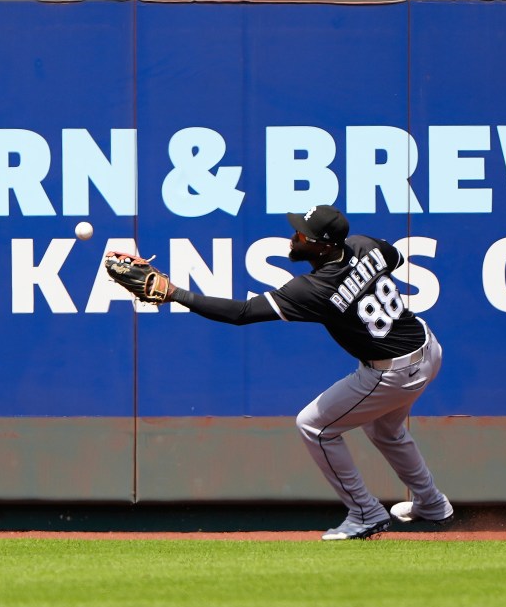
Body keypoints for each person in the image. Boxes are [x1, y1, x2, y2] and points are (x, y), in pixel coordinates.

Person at [157, 205, 452, 540]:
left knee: (314, 426)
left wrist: (176, 294)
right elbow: (394, 260)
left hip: (393, 373)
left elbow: (242, 313)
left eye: (302, 235)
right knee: (385, 430)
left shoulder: (314, 288)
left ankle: (365, 512)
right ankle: (432, 503)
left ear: (322, 247)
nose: (294, 237)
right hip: (428, 348)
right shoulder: (364, 244)